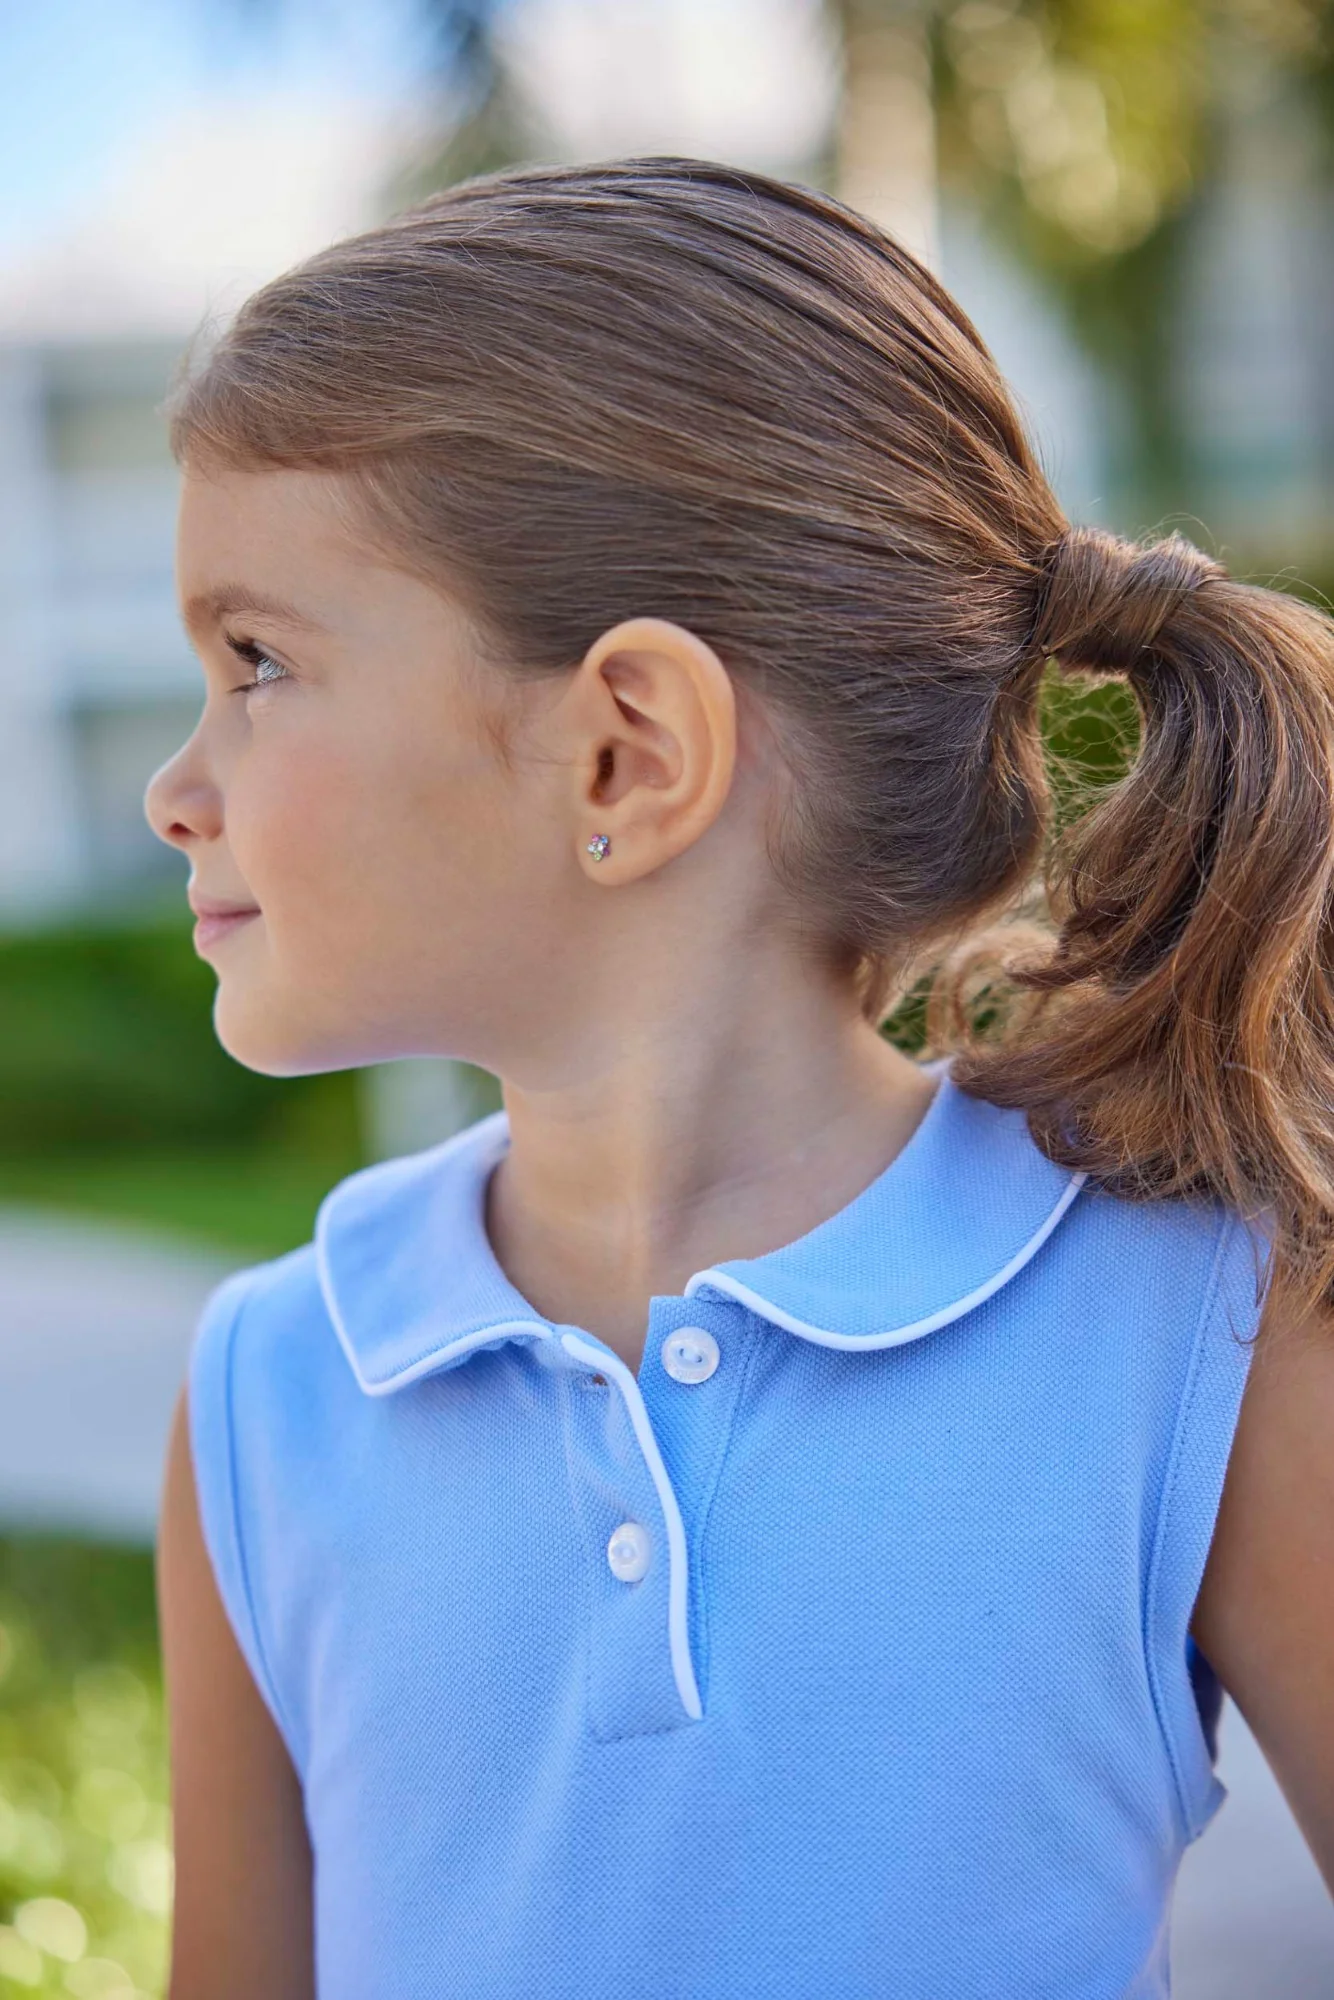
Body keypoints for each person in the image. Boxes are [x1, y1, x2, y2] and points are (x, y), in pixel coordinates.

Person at [144, 156, 1334, 2000]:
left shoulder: (1199, 1328)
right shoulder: (266, 1396)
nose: (177, 784)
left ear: (625, 752)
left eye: (254, 662)